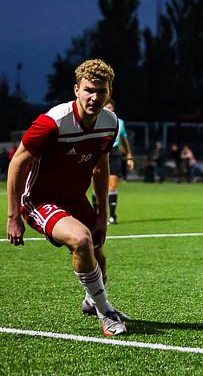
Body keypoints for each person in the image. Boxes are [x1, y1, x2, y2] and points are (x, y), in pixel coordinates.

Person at [6, 59, 128, 336]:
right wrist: (13, 216)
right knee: (81, 240)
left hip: (75, 199)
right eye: (88, 90)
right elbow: (16, 163)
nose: (95, 97)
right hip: (40, 199)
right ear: (76, 90)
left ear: (109, 92)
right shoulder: (53, 123)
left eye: (101, 91)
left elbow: (100, 167)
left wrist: (100, 214)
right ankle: (105, 311)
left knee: (97, 252)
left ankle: (90, 300)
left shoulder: (110, 124)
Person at [102, 100, 134, 224]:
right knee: (97, 186)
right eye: (107, 107)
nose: (109, 110)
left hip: (114, 154)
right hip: (100, 154)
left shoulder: (119, 122)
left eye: (111, 107)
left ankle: (112, 216)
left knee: (112, 185)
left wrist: (129, 156)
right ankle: (97, 215)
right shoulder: (96, 120)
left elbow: (124, 139)